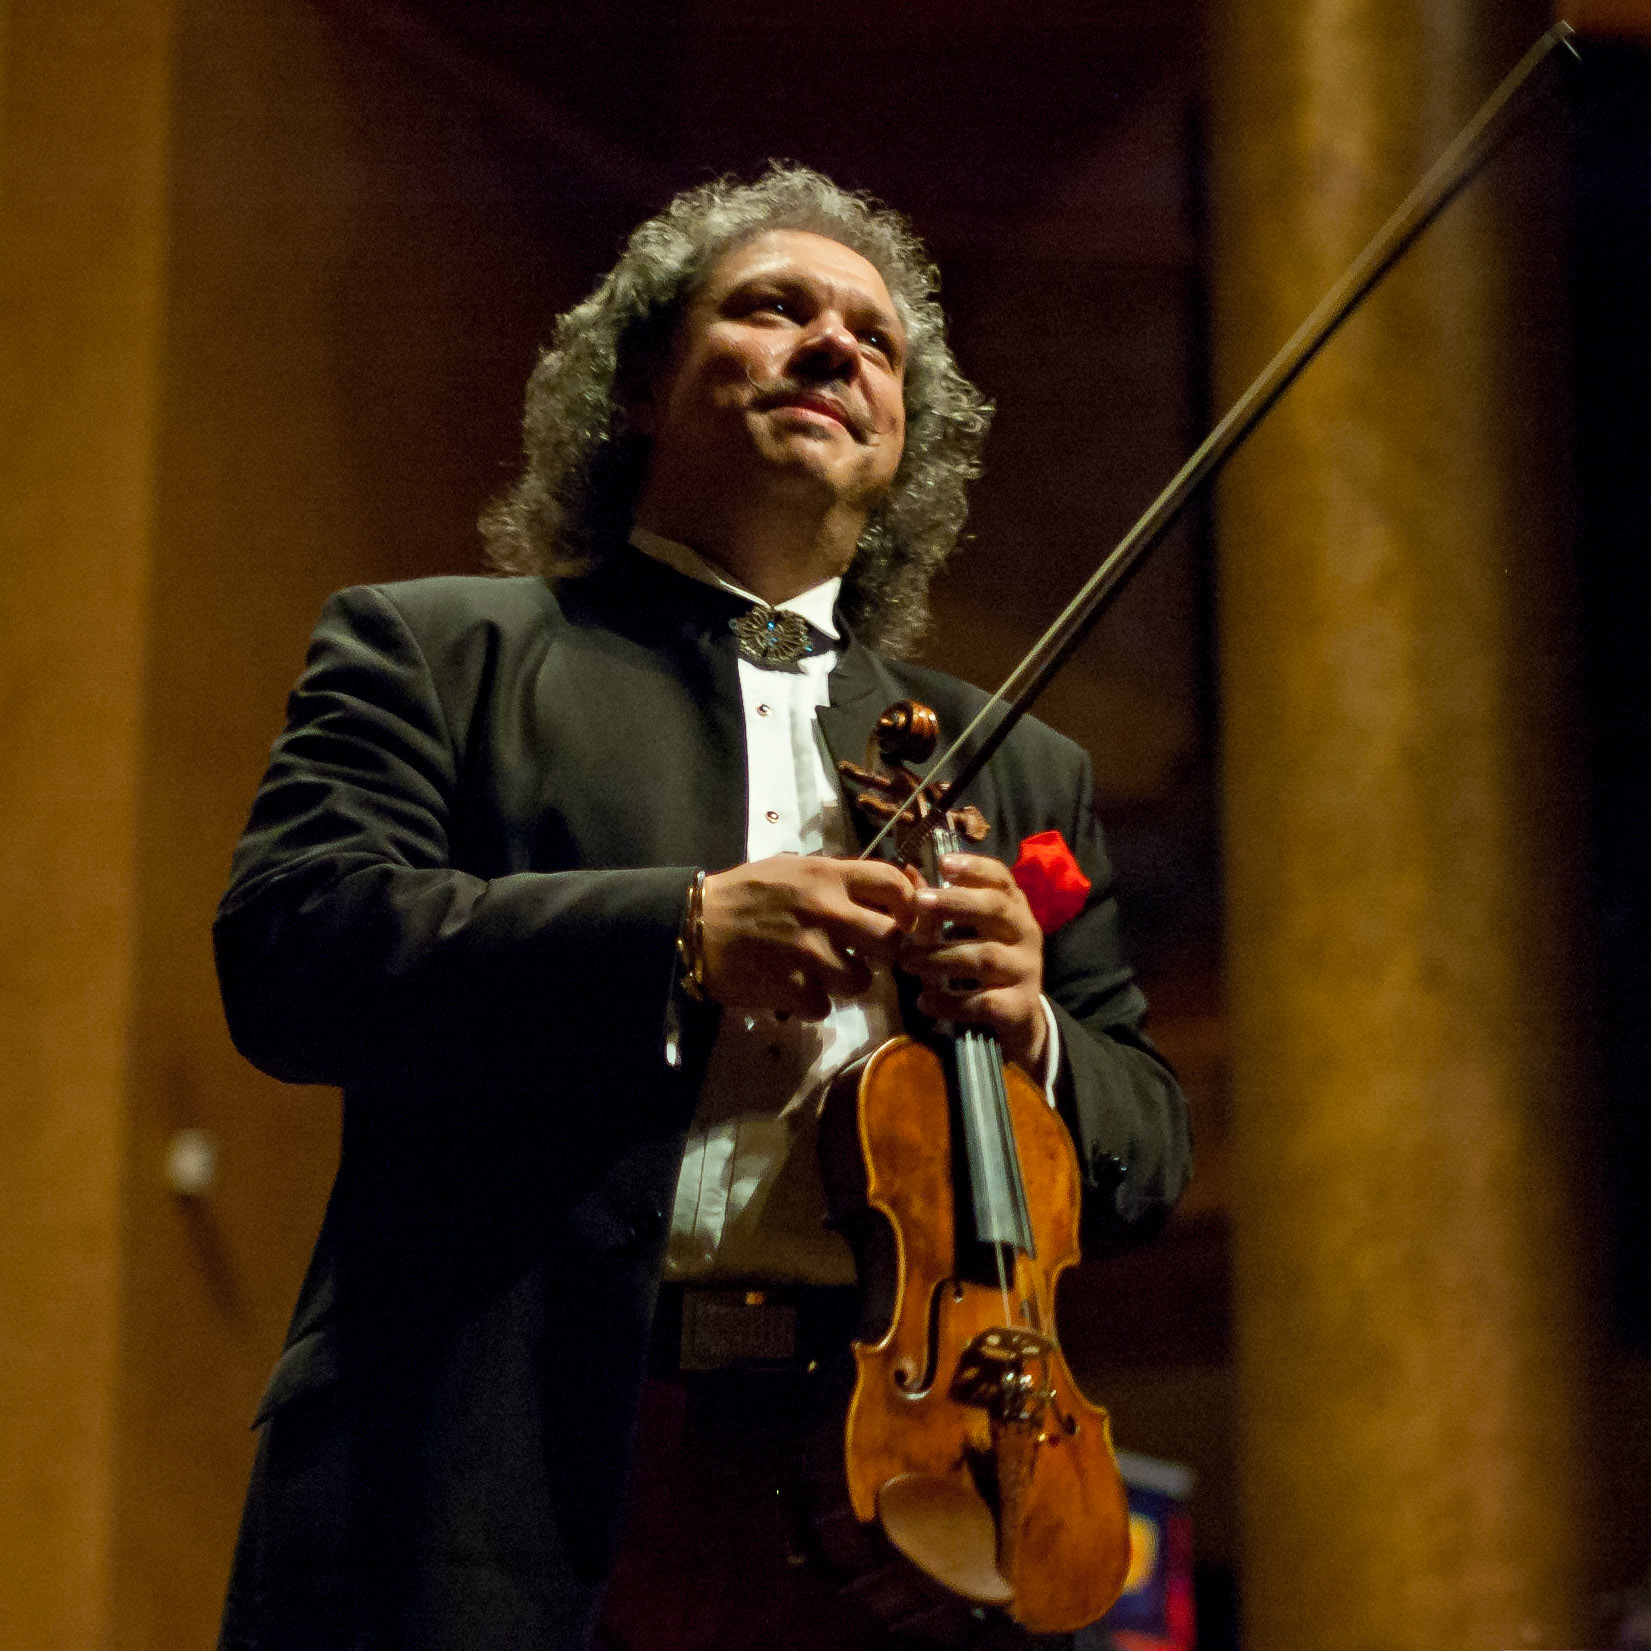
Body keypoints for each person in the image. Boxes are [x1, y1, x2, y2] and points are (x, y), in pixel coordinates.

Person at [214, 163, 1191, 1651]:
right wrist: (675, 930)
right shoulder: (436, 651)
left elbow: (1145, 1154)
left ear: (903, 445)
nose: (832, 349)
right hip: (483, 1470)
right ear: (639, 388)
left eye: (873, 341)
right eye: (772, 308)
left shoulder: (1020, 762)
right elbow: (293, 954)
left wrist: (1038, 1031)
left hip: (892, 1493)